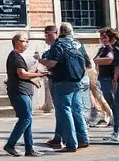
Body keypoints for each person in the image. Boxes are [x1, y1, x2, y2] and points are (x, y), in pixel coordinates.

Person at [38, 22, 91, 152]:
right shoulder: (78, 44)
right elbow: (87, 63)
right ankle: (83, 139)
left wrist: (41, 60)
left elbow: (52, 63)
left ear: (59, 32)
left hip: (62, 81)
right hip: (77, 80)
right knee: (77, 110)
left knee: (64, 111)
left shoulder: (58, 45)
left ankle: (71, 143)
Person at [4, 33, 44, 157]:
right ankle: (10, 145)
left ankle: (29, 148)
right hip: (19, 92)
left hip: (24, 91)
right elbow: (22, 74)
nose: (26, 44)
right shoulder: (15, 57)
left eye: (27, 41)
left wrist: (33, 80)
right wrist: (39, 75)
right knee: (25, 119)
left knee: (28, 119)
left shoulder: (17, 57)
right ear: (17, 42)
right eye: (24, 41)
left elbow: (22, 75)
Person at [93, 29, 116, 128]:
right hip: (102, 77)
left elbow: (110, 58)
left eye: (103, 37)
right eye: (100, 37)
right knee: (108, 99)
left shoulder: (109, 48)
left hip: (108, 77)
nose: (101, 39)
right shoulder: (103, 49)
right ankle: (113, 119)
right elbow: (95, 59)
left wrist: (98, 60)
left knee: (111, 99)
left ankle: (115, 120)